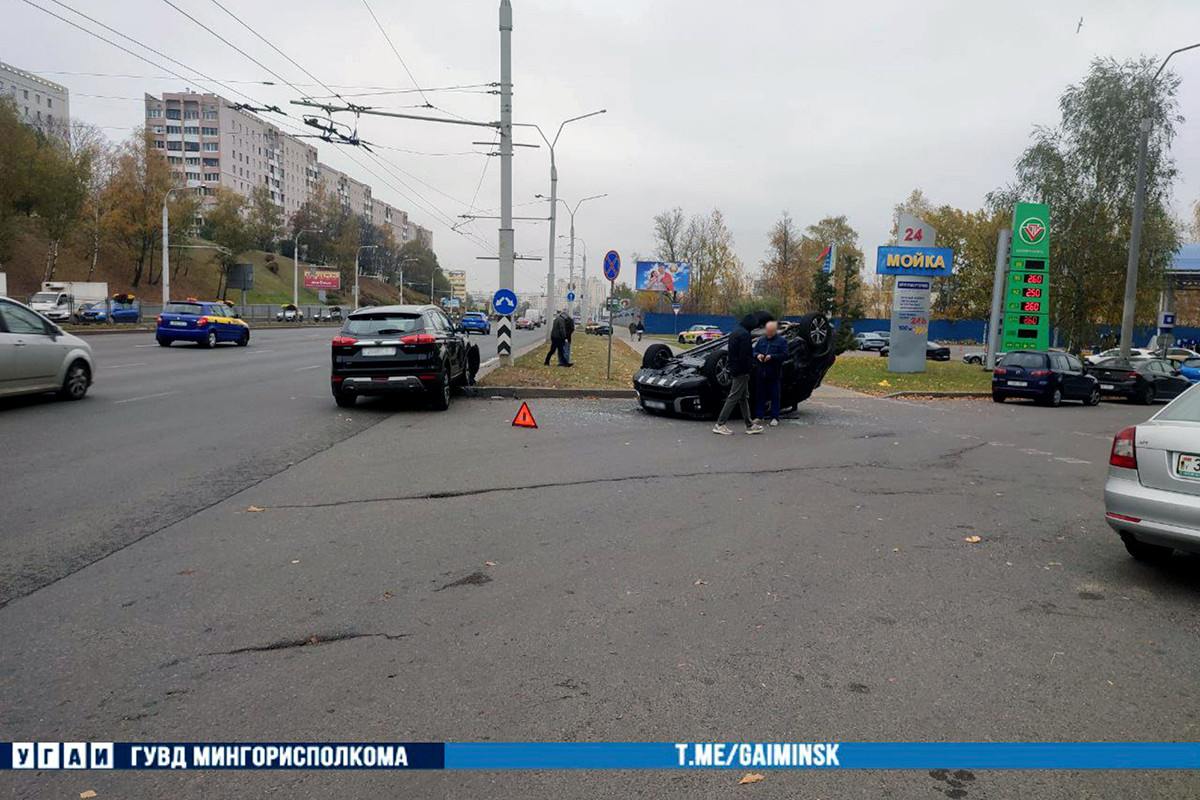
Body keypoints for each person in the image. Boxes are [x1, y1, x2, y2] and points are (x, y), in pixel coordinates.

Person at [713, 312, 768, 436]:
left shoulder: (736, 332)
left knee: (743, 397)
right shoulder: (744, 335)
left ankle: (749, 424)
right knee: (734, 396)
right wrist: (749, 368)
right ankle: (720, 423)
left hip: (734, 367)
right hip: (742, 370)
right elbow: (744, 355)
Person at [753, 320, 789, 426]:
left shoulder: (781, 341)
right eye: (767, 332)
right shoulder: (761, 341)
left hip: (774, 372)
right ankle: (759, 416)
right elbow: (754, 351)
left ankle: (774, 417)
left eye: (770, 332)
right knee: (760, 395)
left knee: (775, 395)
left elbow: (785, 355)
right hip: (761, 372)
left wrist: (772, 357)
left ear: (775, 331)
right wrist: (757, 356)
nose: (768, 334)